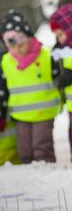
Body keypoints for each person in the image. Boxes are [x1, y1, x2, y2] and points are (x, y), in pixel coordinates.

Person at [0, 10, 61, 163]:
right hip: (20, 114)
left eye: (21, 44)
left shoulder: (45, 56)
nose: (18, 50)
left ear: (28, 38)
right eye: (13, 47)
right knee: (24, 150)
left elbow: (57, 79)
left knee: (42, 148)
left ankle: (47, 173)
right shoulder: (6, 61)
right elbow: (4, 89)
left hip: (44, 113)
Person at [49, 3, 72, 164]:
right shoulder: (63, 50)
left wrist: (70, 75)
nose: (59, 39)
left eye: (60, 34)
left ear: (71, 29)